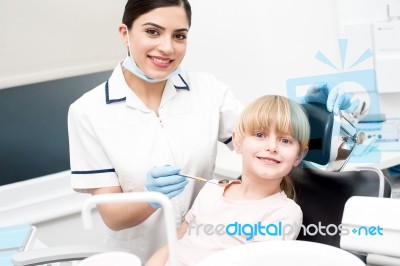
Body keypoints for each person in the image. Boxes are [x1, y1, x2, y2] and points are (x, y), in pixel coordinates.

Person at [67, 0, 354, 262]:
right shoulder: (88, 112)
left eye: (179, 35)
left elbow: (266, 139)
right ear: (125, 34)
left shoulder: (208, 91)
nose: (168, 47)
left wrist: (312, 115)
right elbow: (112, 217)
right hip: (141, 256)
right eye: (153, 32)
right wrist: (150, 194)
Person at [146, 95, 310, 265]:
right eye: (260, 135)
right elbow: (174, 244)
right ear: (237, 142)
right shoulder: (212, 189)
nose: (272, 147)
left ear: (298, 156)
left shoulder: (282, 213)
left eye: (285, 140)